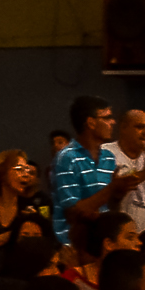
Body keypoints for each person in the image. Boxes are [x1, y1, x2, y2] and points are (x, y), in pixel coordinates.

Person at [50, 96, 121, 248]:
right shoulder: (67, 158)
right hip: (72, 246)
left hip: (100, 243)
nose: (113, 122)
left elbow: (107, 206)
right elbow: (73, 213)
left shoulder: (108, 157)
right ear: (91, 123)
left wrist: (118, 193)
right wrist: (113, 187)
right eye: (107, 117)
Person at [0, 150, 48, 265]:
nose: (26, 175)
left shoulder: (31, 209)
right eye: (19, 169)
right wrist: (13, 235)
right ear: (2, 173)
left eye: (27, 170)